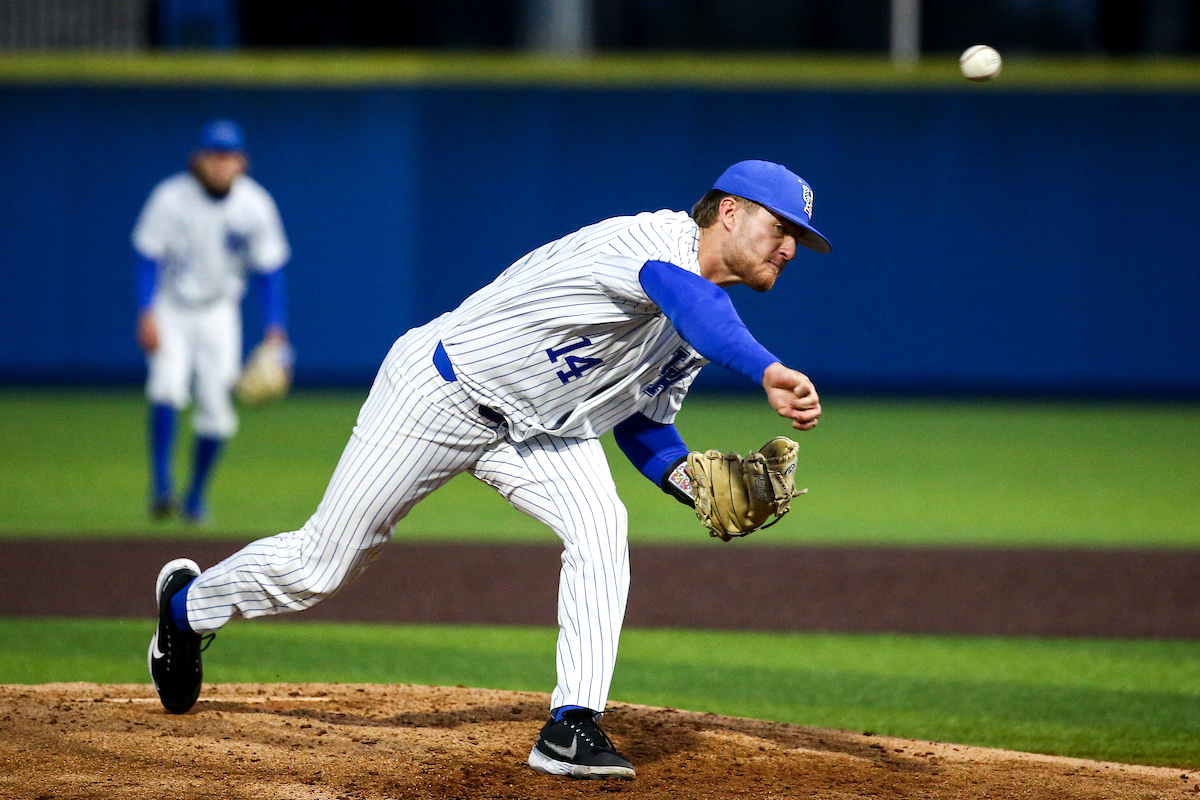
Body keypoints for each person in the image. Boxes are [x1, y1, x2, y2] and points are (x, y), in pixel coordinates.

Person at [148, 159, 829, 780]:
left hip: (542, 431)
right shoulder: (650, 245)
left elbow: (643, 423)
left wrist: (692, 485)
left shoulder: (697, 332)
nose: (790, 248)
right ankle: (185, 609)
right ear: (729, 211)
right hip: (439, 393)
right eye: (781, 228)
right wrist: (767, 369)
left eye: (798, 237)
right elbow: (691, 301)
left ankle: (571, 725)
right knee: (320, 566)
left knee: (601, 527)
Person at [133, 119, 291, 523]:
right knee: (166, 388)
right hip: (172, 307)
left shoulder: (255, 204)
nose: (220, 163)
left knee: (217, 412)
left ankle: (195, 497)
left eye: (228, 156)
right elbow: (148, 257)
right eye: (213, 155)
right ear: (198, 159)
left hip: (220, 312)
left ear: (242, 162)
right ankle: (161, 484)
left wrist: (275, 328)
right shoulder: (170, 198)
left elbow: (270, 271)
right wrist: (146, 311)